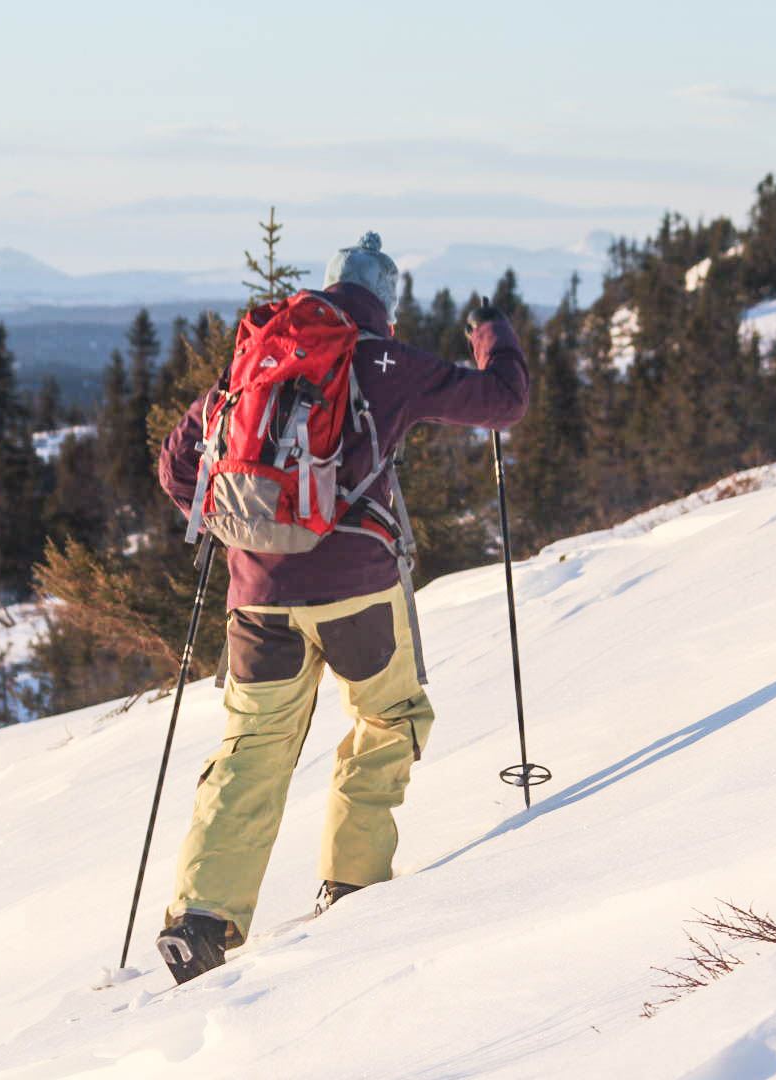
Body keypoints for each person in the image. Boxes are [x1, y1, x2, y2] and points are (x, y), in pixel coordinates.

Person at [153, 232, 529, 982]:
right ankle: (352, 891)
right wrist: (492, 333)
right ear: (384, 302)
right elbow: (504, 404)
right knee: (387, 720)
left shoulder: (255, 357)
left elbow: (177, 469)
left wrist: (249, 532)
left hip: (256, 599)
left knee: (252, 747)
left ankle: (202, 921)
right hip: (359, 587)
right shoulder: (383, 361)